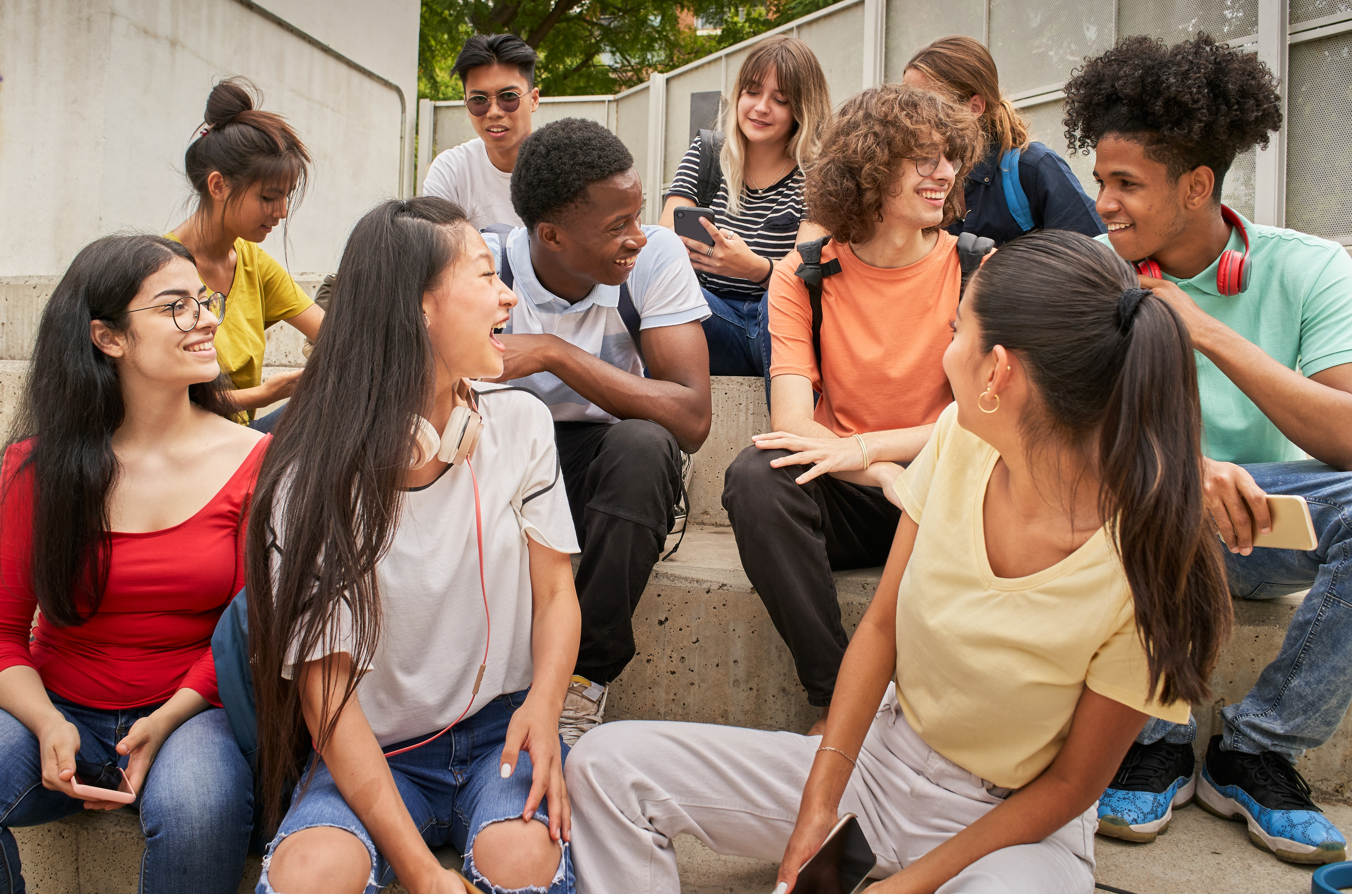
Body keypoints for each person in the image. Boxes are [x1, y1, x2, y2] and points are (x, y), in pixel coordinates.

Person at [565, 230, 1235, 894]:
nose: (946, 352)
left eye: (957, 332)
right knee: (604, 764)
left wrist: (906, 885)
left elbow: (1069, 787)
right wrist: (818, 806)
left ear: (998, 370)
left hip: (1013, 827)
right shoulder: (957, 441)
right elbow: (881, 630)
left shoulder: (1150, 560)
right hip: (882, 768)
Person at [1063, 34, 1352, 864]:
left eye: (1127, 184)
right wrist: (1181, 468)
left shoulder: (1308, 268)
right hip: (1135, 519)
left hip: (1261, 528)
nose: (1104, 204)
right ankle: (1153, 729)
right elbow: (1062, 435)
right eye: (1100, 182)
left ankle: (1257, 750)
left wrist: (1207, 335)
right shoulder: (1089, 272)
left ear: (1197, 186)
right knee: (1127, 482)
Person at [248, 197, 581, 894]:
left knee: (525, 861)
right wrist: (424, 874)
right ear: (419, 307)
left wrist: (545, 709)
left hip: (501, 734)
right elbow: (326, 696)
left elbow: (555, 594)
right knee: (310, 874)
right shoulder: (309, 475)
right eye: (487, 276)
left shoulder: (520, 424)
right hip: (372, 749)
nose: (508, 295)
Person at [0, 234, 264, 894]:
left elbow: (249, 630)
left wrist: (168, 717)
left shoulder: (252, 460)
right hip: (58, 706)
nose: (207, 317)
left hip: (196, 711)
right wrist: (48, 724)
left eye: (204, 300)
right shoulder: (38, 466)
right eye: (176, 306)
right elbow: (5, 633)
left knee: (198, 811)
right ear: (109, 338)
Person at [722, 85, 983, 732]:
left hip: (945, 488)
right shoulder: (802, 275)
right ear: (868, 169)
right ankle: (841, 700)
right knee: (755, 477)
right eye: (923, 158)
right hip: (849, 487)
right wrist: (876, 474)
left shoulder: (980, 270)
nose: (944, 173)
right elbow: (792, 424)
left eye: (950, 156)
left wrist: (874, 451)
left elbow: (984, 423)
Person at [488, 117, 712, 744]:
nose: (638, 237)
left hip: (601, 461)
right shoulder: (486, 267)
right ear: (551, 235)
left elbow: (692, 418)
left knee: (648, 446)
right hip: (504, 455)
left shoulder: (654, 258)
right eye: (617, 226)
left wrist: (555, 354)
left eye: (637, 215)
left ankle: (581, 681)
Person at [659, 36, 831, 384]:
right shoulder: (706, 153)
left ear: (802, 109)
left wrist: (756, 269)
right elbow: (662, 248)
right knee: (652, 291)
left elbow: (807, 275)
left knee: (777, 303)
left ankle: (793, 433)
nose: (761, 107)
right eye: (752, 92)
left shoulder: (821, 174)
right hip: (713, 317)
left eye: (780, 99)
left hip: (782, 321)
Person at [169, 77, 323, 430]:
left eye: (286, 197)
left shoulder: (255, 264)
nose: (282, 212)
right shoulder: (162, 270)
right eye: (269, 197)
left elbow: (331, 332)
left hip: (237, 441)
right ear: (218, 185)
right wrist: (264, 393)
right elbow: (169, 399)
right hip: (182, 445)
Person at [903, 35, 1104, 247]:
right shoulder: (910, 175)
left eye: (927, 104)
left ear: (974, 108)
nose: (907, 116)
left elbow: (1099, 260)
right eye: (904, 101)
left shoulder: (1034, 168)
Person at [422, 34, 540, 229]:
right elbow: (439, 253)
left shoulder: (565, 169)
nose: (494, 112)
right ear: (466, 103)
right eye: (478, 100)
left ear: (534, 99)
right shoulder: (451, 172)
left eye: (509, 96)